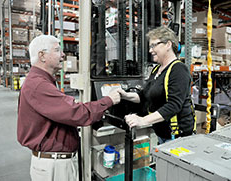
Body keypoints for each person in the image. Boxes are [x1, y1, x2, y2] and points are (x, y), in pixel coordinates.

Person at [17, 35, 121, 181]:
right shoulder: (39, 85)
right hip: (54, 166)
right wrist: (109, 100)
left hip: (57, 161)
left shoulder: (41, 81)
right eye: (57, 50)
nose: (63, 54)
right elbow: (76, 113)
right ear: (42, 56)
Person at [119, 26, 195, 144]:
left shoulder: (179, 70)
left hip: (177, 136)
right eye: (150, 46)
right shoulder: (157, 70)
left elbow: (174, 105)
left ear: (168, 44)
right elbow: (143, 96)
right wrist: (124, 95)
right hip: (162, 132)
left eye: (154, 45)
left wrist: (142, 120)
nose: (150, 50)